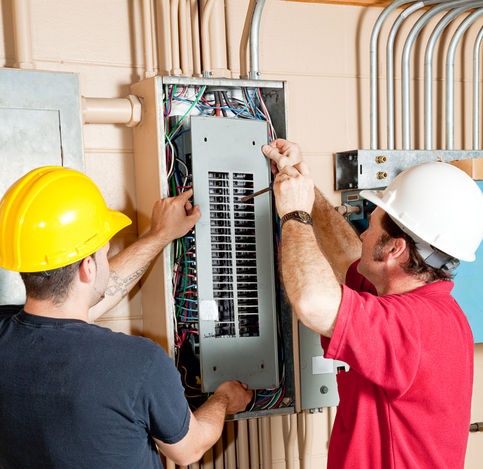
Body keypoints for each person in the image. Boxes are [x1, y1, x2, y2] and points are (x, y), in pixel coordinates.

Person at [0, 166, 252, 469]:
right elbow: (189, 450)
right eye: (105, 251)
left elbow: (83, 303)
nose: (107, 258)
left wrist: (160, 235)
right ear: (88, 268)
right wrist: (224, 399)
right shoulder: (139, 363)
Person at [262, 139, 483, 469]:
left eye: (371, 225)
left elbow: (312, 302)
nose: (363, 234)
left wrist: (295, 213)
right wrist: (304, 184)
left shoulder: (412, 327)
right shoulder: (416, 303)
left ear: (395, 249)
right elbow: (347, 255)